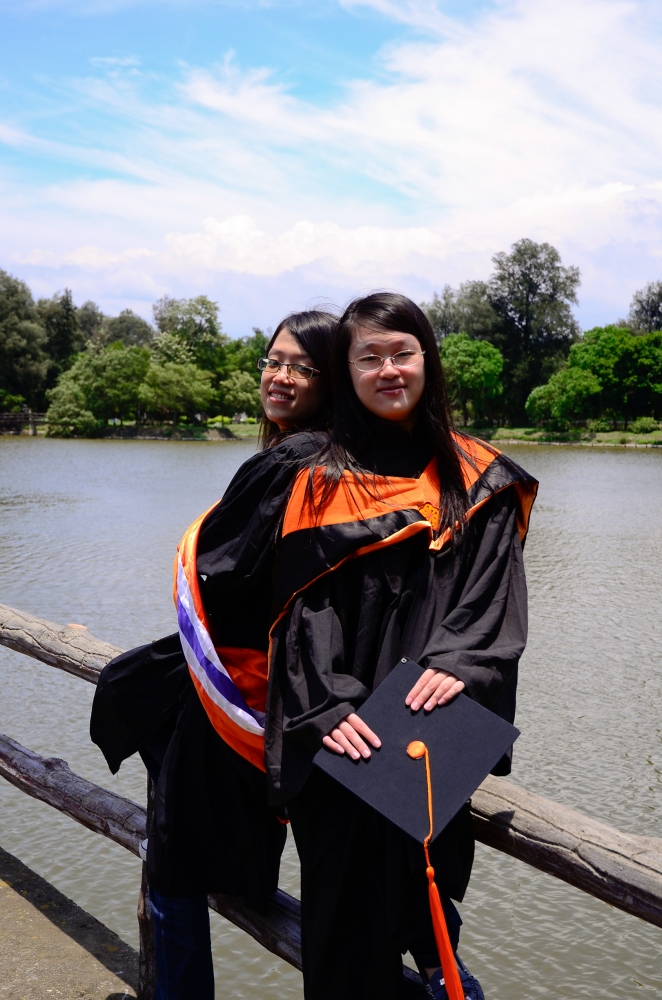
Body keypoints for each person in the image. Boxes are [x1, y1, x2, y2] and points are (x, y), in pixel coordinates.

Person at [264, 292, 538, 1000]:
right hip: (344, 733)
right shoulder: (319, 481)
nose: (389, 370)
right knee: (344, 928)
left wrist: (460, 663)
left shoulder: (478, 477)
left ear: (427, 361)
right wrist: (326, 704)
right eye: (369, 358)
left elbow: (492, 596)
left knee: (425, 903)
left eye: (402, 353)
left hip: (428, 722)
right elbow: (303, 613)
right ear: (348, 373)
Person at [90, 310, 336, 1000]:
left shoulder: (293, 461)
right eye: (273, 361)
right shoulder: (335, 459)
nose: (280, 376)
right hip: (286, 688)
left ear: (330, 382)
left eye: (302, 367)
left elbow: (218, 573)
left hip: (241, 688)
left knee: (173, 871)